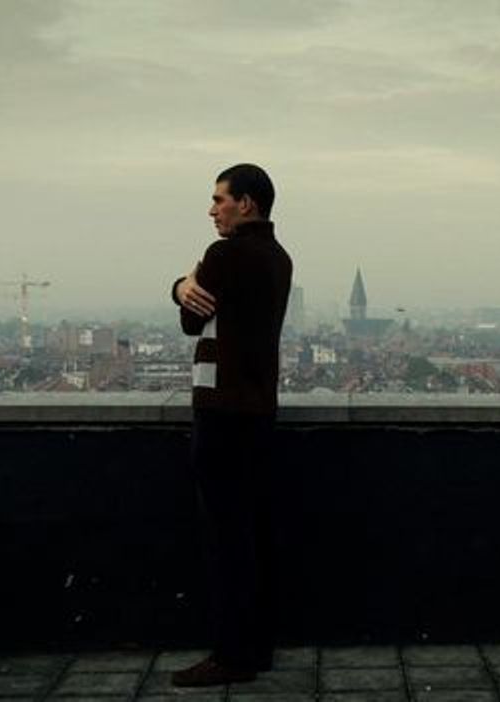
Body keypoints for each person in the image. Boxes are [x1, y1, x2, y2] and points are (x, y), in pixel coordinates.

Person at [169, 163, 292, 687]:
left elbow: (190, 319)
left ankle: (231, 656)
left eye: (220, 199)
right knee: (253, 535)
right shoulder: (280, 257)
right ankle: (256, 647)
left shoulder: (224, 255)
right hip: (259, 412)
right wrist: (187, 283)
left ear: (246, 203)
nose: (212, 210)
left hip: (220, 412)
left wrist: (183, 283)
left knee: (225, 540)